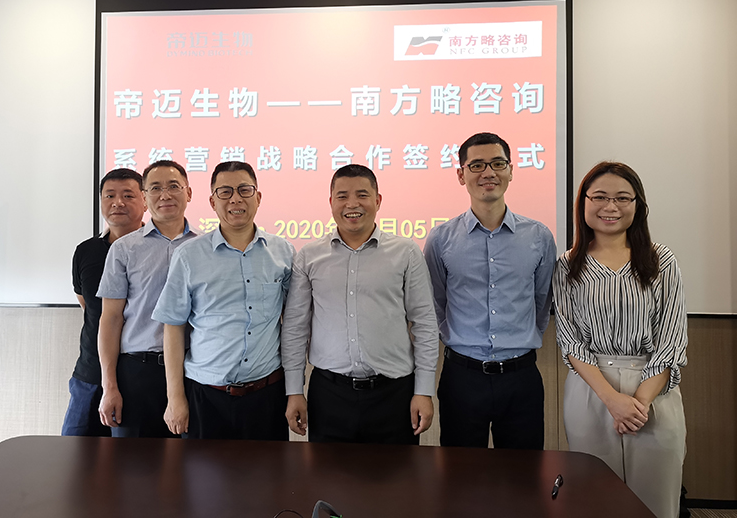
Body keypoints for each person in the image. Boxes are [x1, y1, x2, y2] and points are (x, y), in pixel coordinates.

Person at [552, 161, 687, 518]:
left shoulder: (661, 260)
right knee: (594, 499)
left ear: (637, 205)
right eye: (599, 197)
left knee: (655, 501)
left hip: (653, 392)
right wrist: (612, 400)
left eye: (622, 198)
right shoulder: (567, 266)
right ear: (583, 203)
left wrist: (637, 405)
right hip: (591, 390)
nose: (610, 207)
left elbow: (671, 340)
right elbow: (570, 341)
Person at [282, 164, 439, 444]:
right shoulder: (309, 256)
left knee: (398, 472)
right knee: (328, 473)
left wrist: (424, 391)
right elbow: (295, 327)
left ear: (378, 200)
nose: (352, 204)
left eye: (362, 195)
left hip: (394, 394)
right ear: (331, 202)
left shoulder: (406, 253)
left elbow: (425, 323)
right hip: (329, 395)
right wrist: (294, 391)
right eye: (342, 196)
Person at [424, 132, 556, 449]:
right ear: (461, 174)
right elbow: (436, 303)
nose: (488, 173)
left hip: (521, 376)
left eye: (498, 163)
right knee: (460, 471)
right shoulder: (441, 239)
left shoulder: (539, 237)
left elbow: (542, 302)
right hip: (462, 377)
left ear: (510, 171)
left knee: (523, 471)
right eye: (477, 165)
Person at [152, 161, 294, 440]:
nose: (235, 199)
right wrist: (175, 397)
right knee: (202, 470)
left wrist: (294, 391)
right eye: (225, 192)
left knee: (268, 469)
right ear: (212, 201)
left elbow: (293, 324)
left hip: (267, 396)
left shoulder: (283, 252)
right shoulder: (189, 255)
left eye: (244, 190)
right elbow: (173, 327)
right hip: (205, 396)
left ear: (258, 197)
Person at [97, 160, 197, 437]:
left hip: (192, 372)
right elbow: (110, 319)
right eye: (155, 188)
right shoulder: (124, 249)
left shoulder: (205, 248)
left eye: (174, 186)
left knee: (191, 461)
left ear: (189, 193)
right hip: (137, 373)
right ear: (144, 196)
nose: (165, 195)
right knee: (133, 461)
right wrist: (109, 386)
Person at [61, 168, 145, 436]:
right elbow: (88, 306)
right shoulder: (86, 251)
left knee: (134, 459)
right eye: (109, 196)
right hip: (90, 374)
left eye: (128, 195)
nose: (117, 202)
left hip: (141, 378)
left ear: (145, 200)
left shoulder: (159, 249)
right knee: (74, 451)